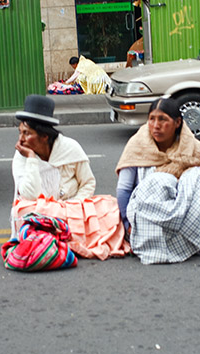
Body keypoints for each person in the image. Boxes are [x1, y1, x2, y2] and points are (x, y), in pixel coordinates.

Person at [116, 97, 200, 264]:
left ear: (177, 122)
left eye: (163, 119)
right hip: (149, 216)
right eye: (152, 119)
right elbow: (124, 189)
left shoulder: (190, 146)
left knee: (199, 177)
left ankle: (185, 236)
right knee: (159, 181)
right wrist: (128, 225)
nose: (156, 126)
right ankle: (166, 240)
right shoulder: (137, 145)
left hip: (188, 218)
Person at [11, 94, 129, 259]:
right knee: (22, 210)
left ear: (44, 136)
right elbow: (29, 195)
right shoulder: (21, 155)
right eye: (20, 132)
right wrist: (31, 159)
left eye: (26, 133)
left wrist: (71, 207)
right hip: (40, 212)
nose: (20, 139)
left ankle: (60, 238)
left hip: (72, 209)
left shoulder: (70, 148)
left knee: (111, 207)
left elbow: (88, 183)